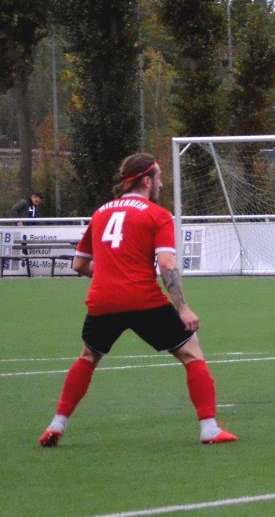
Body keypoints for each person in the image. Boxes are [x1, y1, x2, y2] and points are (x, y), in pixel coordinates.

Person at [39, 154, 236, 446]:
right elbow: (167, 264)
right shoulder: (157, 214)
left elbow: (79, 265)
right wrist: (183, 307)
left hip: (103, 300)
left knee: (88, 357)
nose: (160, 182)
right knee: (192, 354)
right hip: (144, 299)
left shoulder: (102, 212)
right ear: (146, 180)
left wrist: (110, 276)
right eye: (157, 177)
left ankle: (57, 424)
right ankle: (209, 428)